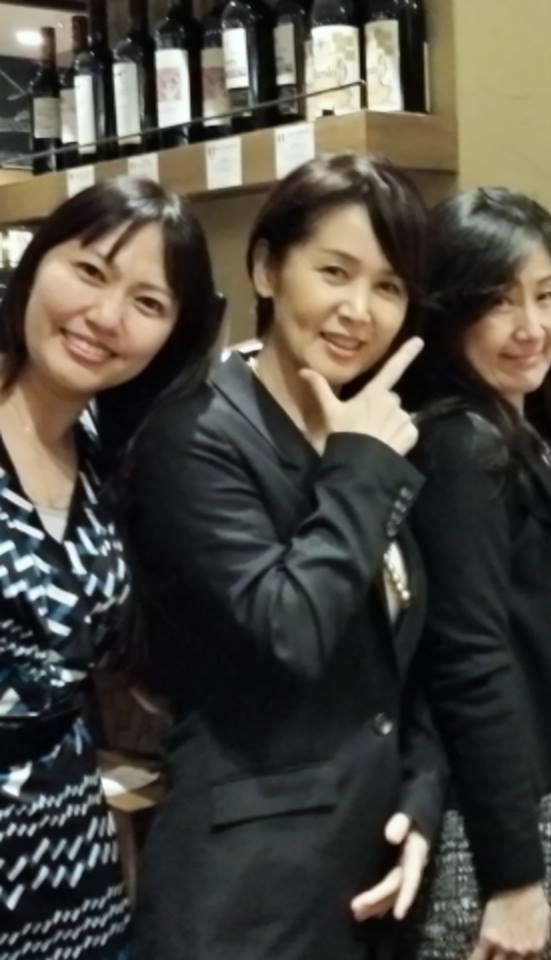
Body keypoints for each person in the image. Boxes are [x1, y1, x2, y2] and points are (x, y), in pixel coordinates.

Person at [123, 154, 445, 960]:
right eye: (334, 272)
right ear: (267, 268)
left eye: (388, 286)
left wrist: (420, 796)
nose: (358, 311)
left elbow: (400, 653)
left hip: (365, 876)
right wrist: (361, 467)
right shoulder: (195, 438)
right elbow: (288, 630)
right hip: (245, 896)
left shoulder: (366, 430)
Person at [0, 177, 221, 960]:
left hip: (68, 853)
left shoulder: (106, 453)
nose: (105, 316)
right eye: (90, 272)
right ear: (35, 264)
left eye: (147, 302)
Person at [402, 188, 551, 960]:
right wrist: (515, 878)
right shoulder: (461, 446)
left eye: (547, 296)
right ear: (448, 313)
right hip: (494, 816)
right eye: (498, 302)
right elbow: (470, 660)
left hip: (549, 785)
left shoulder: (529, 427)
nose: (532, 327)